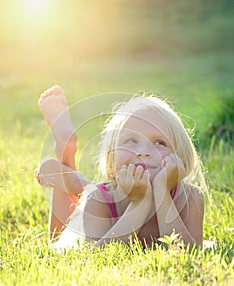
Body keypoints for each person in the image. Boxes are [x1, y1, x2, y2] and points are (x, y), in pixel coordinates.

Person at [35, 86, 206, 250]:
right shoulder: (98, 200)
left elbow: (188, 254)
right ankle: (65, 153)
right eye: (131, 140)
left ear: (180, 157)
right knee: (57, 240)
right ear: (111, 158)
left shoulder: (191, 198)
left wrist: (162, 192)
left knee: (86, 189)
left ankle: (70, 176)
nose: (143, 152)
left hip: (101, 192)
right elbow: (96, 259)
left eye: (160, 143)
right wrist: (139, 203)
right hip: (95, 208)